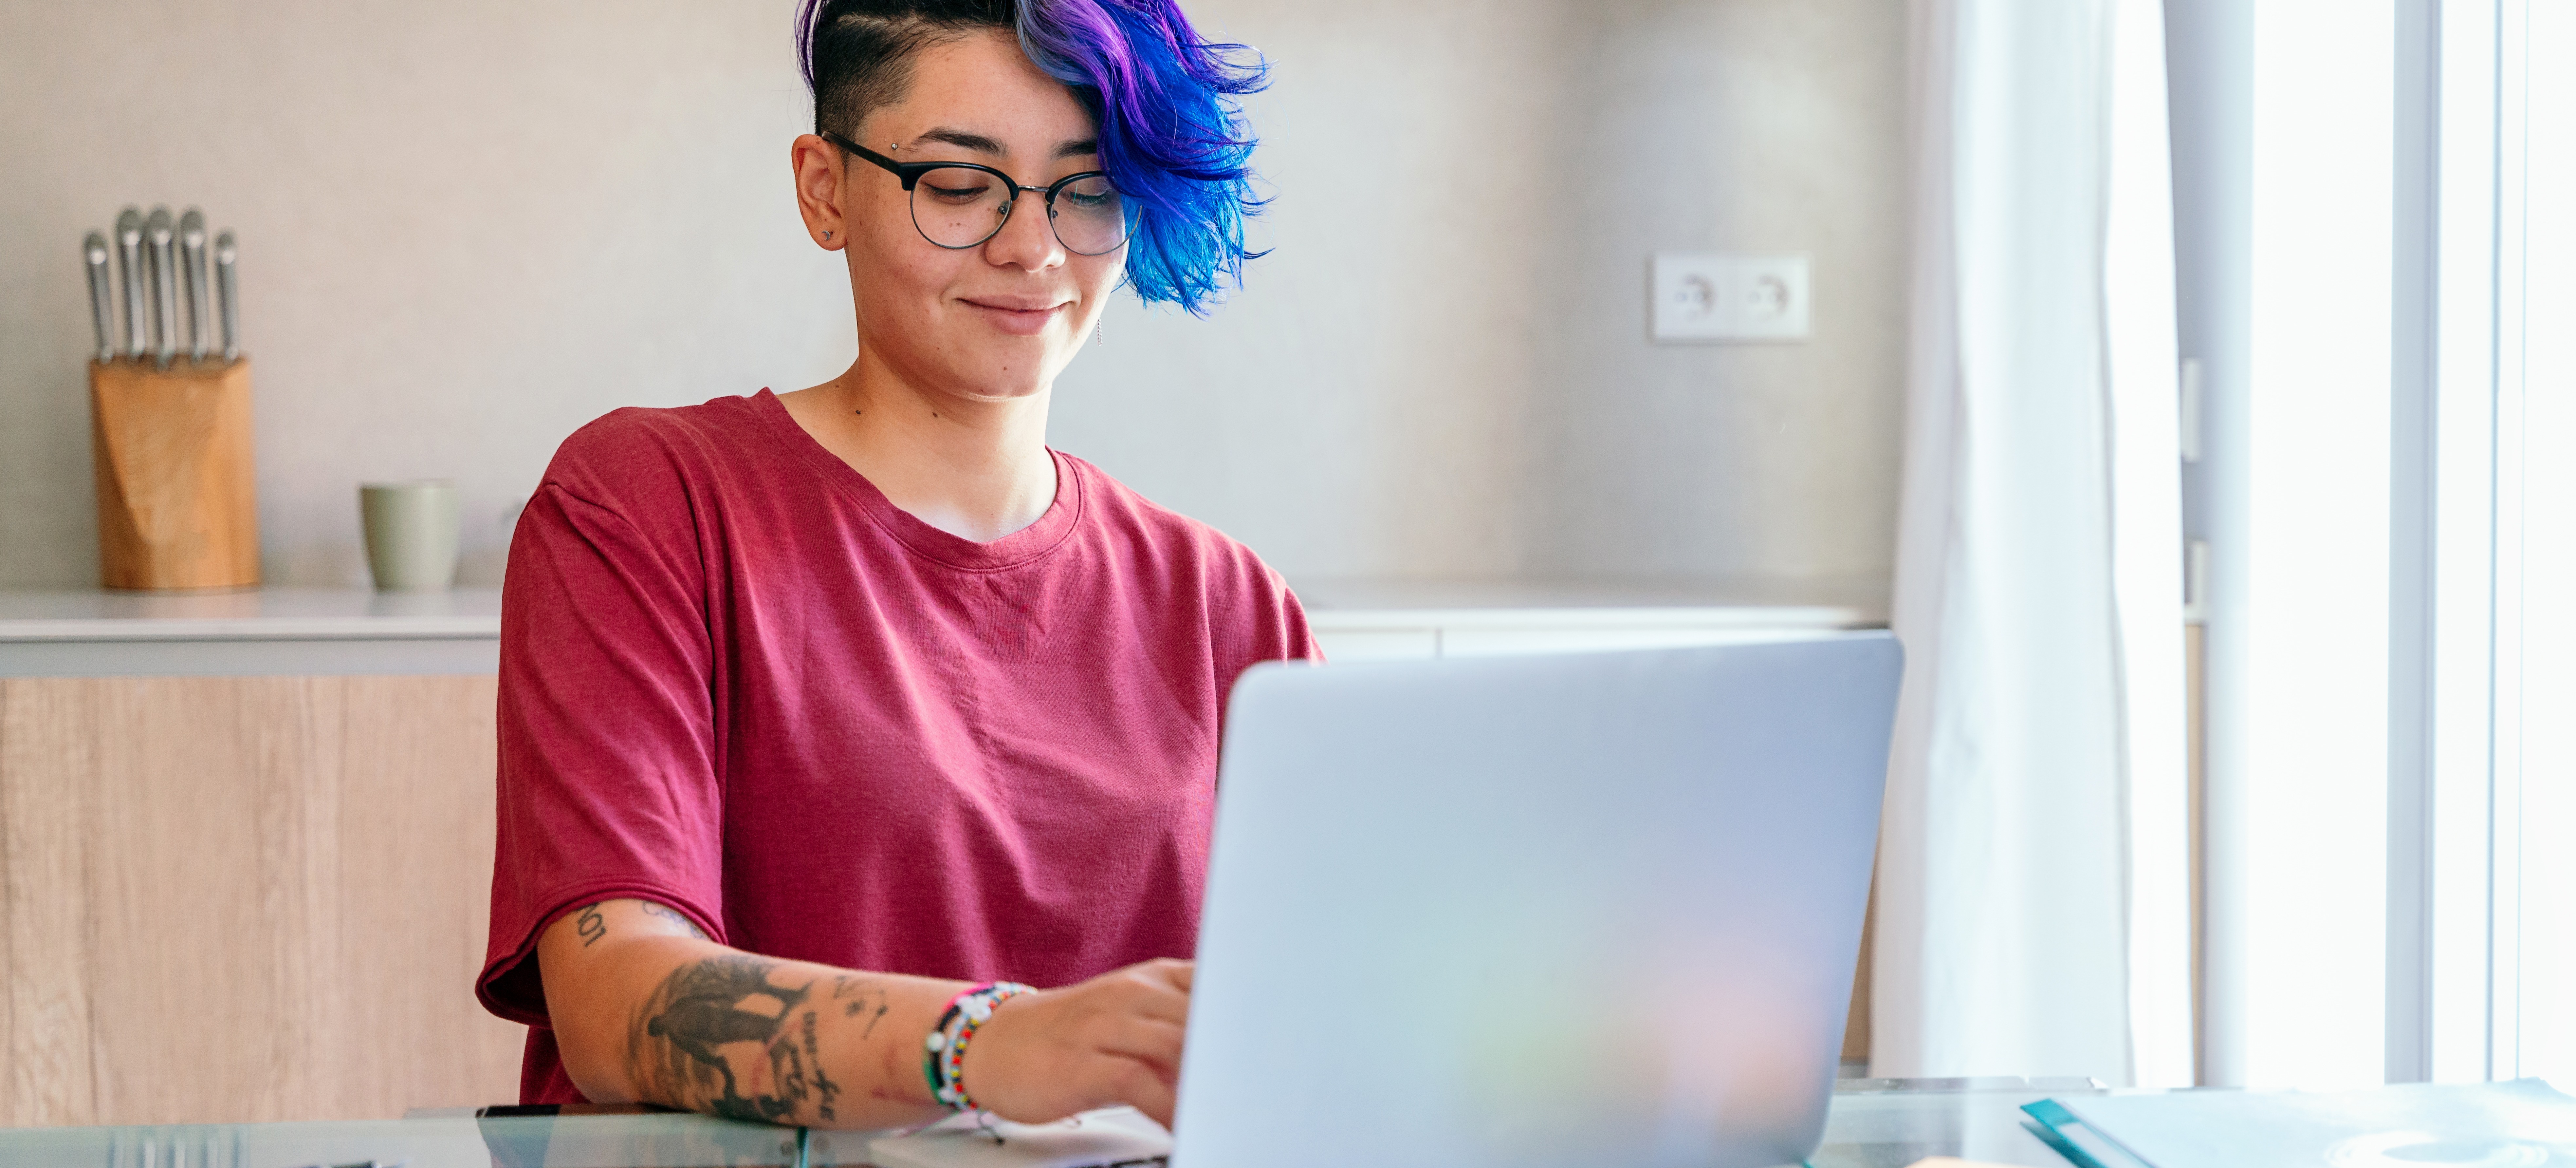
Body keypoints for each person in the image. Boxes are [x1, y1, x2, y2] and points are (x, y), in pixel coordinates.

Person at [472, 0, 1308, 1132]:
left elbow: (1329, 1007)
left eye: (1089, 188)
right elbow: (616, 1002)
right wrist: (992, 1043)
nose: (1033, 248)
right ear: (825, 190)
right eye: (960, 188)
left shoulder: (1225, 601)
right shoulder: (646, 502)